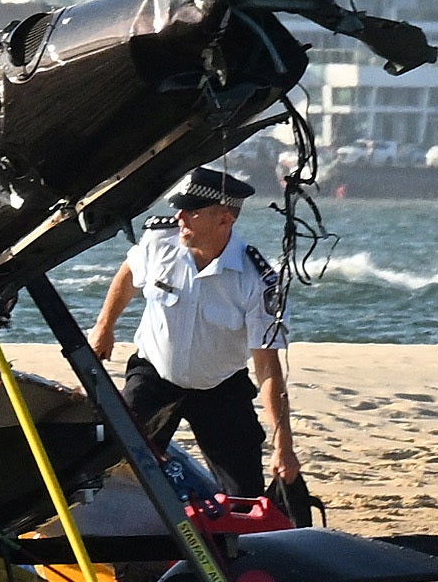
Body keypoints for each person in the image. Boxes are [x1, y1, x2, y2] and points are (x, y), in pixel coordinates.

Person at [85, 166, 301, 509]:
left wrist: (283, 445)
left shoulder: (257, 280)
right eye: (180, 208)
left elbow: (268, 369)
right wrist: (104, 327)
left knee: (245, 496)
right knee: (107, 466)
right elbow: (128, 275)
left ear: (225, 219)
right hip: (154, 378)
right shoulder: (159, 242)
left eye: (192, 211)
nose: (179, 217)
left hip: (221, 388)